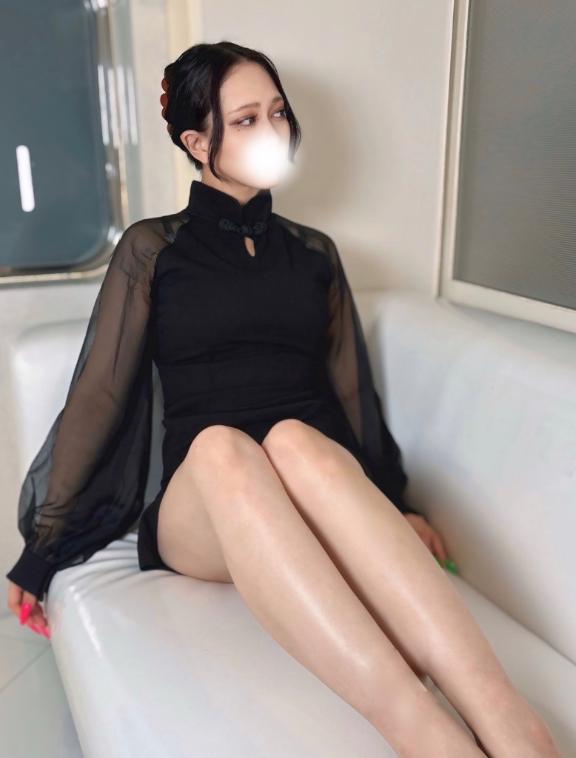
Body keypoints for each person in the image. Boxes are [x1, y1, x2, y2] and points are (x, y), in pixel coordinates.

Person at [6, 41, 561, 757]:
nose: (271, 130)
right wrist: (43, 550)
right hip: (206, 503)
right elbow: (99, 395)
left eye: (277, 113)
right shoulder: (152, 249)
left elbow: (350, 393)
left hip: (307, 474)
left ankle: (510, 722)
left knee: (296, 438)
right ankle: (423, 733)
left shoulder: (314, 252)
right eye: (245, 119)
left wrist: (394, 504)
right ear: (197, 142)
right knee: (224, 448)